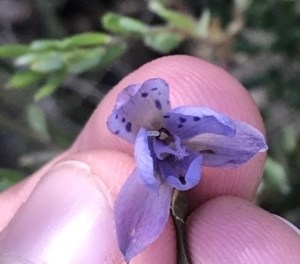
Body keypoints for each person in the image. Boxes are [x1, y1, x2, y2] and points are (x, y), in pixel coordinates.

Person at [0, 55, 299, 264]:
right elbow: (132, 237)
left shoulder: (193, 144)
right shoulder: (146, 188)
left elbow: (245, 142)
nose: (172, 146)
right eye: (161, 140)